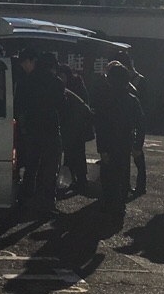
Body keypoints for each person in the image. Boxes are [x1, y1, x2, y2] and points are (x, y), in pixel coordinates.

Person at [14, 48, 64, 216]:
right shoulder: (56, 82)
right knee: (50, 169)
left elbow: (20, 105)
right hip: (51, 130)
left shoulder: (28, 80)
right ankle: (47, 203)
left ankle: (26, 200)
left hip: (32, 130)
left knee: (31, 168)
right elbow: (61, 106)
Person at [92, 61, 145, 216]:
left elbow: (101, 127)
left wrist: (101, 148)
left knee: (108, 177)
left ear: (109, 80)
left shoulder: (105, 100)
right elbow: (141, 124)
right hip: (125, 143)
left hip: (109, 144)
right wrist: (137, 145)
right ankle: (120, 205)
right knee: (123, 174)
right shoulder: (132, 100)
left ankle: (110, 206)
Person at [56, 64, 95, 195]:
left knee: (77, 155)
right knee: (71, 155)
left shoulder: (75, 87)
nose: (61, 79)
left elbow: (83, 108)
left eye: (62, 76)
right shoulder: (72, 86)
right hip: (71, 128)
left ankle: (80, 181)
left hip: (78, 128)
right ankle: (73, 181)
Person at [124, 58, 149, 196]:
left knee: (137, 155)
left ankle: (140, 186)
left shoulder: (139, 80)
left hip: (134, 122)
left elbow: (144, 103)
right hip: (130, 122)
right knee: (127, 159)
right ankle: (127, 185)